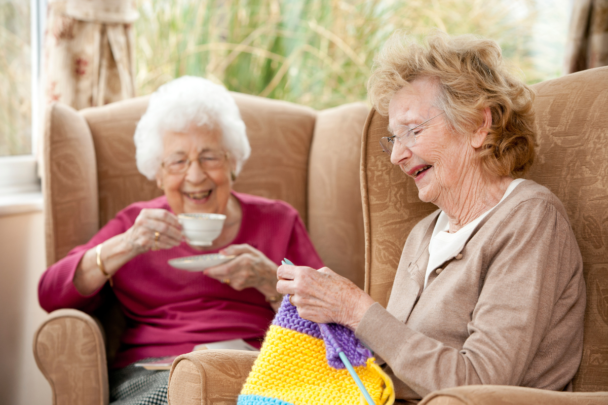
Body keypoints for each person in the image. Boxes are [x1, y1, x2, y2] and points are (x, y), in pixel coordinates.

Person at [276, 32, 586, 402]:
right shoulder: (423, 234)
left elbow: (479, 383)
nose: (396, 156)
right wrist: (329, 312)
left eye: (413, 130)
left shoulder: (530, 219)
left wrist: (356, 309)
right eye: (393, 138)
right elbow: (393, 366)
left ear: (477, 126)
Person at [38, 76, 323, 405]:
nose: (195, 175)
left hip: (256, 371)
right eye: (177, 161)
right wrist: (128, 243)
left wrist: (270, 283)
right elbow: (50, 294)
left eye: (210, 157)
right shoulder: (136, 224)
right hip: (155, 374)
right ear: (157, 173)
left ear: (232, 164)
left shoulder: (278, 220)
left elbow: (328, 325)